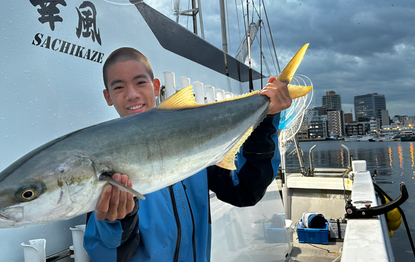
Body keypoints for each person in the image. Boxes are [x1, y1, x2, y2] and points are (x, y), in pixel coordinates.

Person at [83, 47, 292, 262]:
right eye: (119, 87)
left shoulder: (196, 145)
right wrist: (116, 222)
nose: (132, 94)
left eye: (140, 82)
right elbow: (106, 256)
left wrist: (267, 119)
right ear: (108, 96)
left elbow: (245, 191)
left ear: (156, 87)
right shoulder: (108, 164)